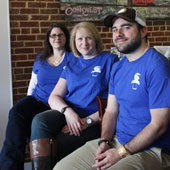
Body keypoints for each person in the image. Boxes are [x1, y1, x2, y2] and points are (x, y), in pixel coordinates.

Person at [53, 8, 170, 170]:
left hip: (152, 150)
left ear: (143, 31)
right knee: (61, 168)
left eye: (126, 27)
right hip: (117, 141)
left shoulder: (157, 66)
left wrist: (122, 152)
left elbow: (159, 125)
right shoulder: (119, 67)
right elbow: (111, 111)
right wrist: (104, 141)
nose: (118, 33)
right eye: (115, 29)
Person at [29, 21, 119, 170]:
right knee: (40, 120)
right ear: (74, 42)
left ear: (95, 39)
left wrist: (88, 121)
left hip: (95, 119)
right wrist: (68, 112)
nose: (84, 43)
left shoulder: (109, 60)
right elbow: (54, 96)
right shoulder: (72, 64)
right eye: (79, 39)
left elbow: (115, 101)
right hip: (70, 114)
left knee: (60, 142)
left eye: (88, 38)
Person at [0, 23, 75, 170]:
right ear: (48, 39)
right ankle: (9, 166)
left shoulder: (73, 58)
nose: (57, 38)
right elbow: (33, 83)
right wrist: (27, 102)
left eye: (60, 35)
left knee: (36, 122)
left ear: (66, 38)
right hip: (37, 99)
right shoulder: (41, 57)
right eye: (53, 35)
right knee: (16, 112)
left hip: (57, 104)